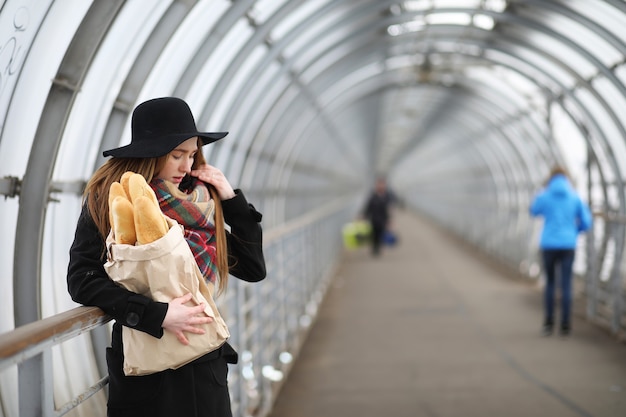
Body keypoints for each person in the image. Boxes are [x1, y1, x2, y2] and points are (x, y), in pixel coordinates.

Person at [66, 97, 266, 416]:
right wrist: (156, 314)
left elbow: (254, 268)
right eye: (177, 155)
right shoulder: (112, 201)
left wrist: (230, 200)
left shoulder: (196, 206)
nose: (187, 166)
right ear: (152, 153)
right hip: (147, 372)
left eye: (192, 155)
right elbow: (82, 279)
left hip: (205, 368)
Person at [530, 165, 592, 337]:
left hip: (548, 244)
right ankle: (565, 325)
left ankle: (548, 323)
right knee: (566, 285)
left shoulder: (545, 196)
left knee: (550, 283)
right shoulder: (574, 197)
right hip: (568, 245)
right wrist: (574, 231)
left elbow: (533, 211)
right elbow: (586, 222)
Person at [363, 176, 397, 256]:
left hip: (383, 219)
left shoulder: (387, 196)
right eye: (379, 184)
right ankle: (375, 248)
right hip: (374, 218)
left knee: (381, 233)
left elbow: (390, 209)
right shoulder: (372, 196)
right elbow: (368, 207)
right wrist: (364, 215)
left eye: (382, 184)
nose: (381, 186)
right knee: (374, 234)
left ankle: (377, 248)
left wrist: (390, 220)